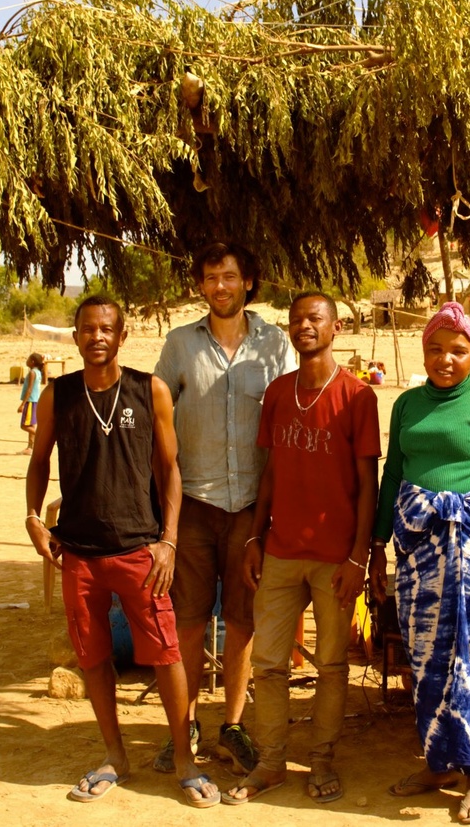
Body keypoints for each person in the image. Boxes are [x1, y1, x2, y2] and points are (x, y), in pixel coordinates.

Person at [24, 296, 219, 808]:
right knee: (92, 657)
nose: (97, 337)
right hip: (79, 553)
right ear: (76, 337)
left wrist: (169, 540)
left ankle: (184, 761)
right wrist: (31, 517)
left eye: (107, 329)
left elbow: (170, 469)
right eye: (87, 329)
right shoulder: (58, 396)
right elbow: (40, 459)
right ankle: (115, 756)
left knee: (166, 654)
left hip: (141, 550)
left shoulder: (148, 390)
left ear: (122, 335)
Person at [222, 292, 380, 806]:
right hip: (280, 552)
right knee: (269, 664)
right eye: (296, 320)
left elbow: (367, 484)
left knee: (331, 667)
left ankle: (322, 761)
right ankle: (270, 764)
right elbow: (269, 470)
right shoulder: (277, 392)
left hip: (335, 556)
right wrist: (254, 537)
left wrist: (360, 557)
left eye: (315, 319)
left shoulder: (358, 397)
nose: (304, 326)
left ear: (336, 328)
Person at [370, 302, 470, 826]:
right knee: (426, 656)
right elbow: (394, 476)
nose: (445, 359)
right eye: (435, 348)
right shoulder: (407, 406)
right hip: (417, 549)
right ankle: (438, 764)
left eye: (457, 350)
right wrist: (375, 544)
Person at [153, 241, 297, 775]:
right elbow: (158, 422)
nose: (220, 286)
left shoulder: (275, 344)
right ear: (200, 286)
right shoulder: (179, 346)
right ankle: (183, 726)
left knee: (241, 620)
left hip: (252, 509)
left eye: (229, 276)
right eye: (211, 277)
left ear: (248, 283)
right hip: (192, 503)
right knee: (187, 621)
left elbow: (289, 416)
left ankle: (232, 724)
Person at [17, 352, 46, 454]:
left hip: (30, 401)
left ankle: (43, 436)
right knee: (31, 425)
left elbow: (29, 390)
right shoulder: (38, 372)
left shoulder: (32, 373)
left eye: (28, 359)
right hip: (35, 401)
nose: (27, 361)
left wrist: (22, 404)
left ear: (32, 362)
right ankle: (30, 447)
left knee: (24, 426)